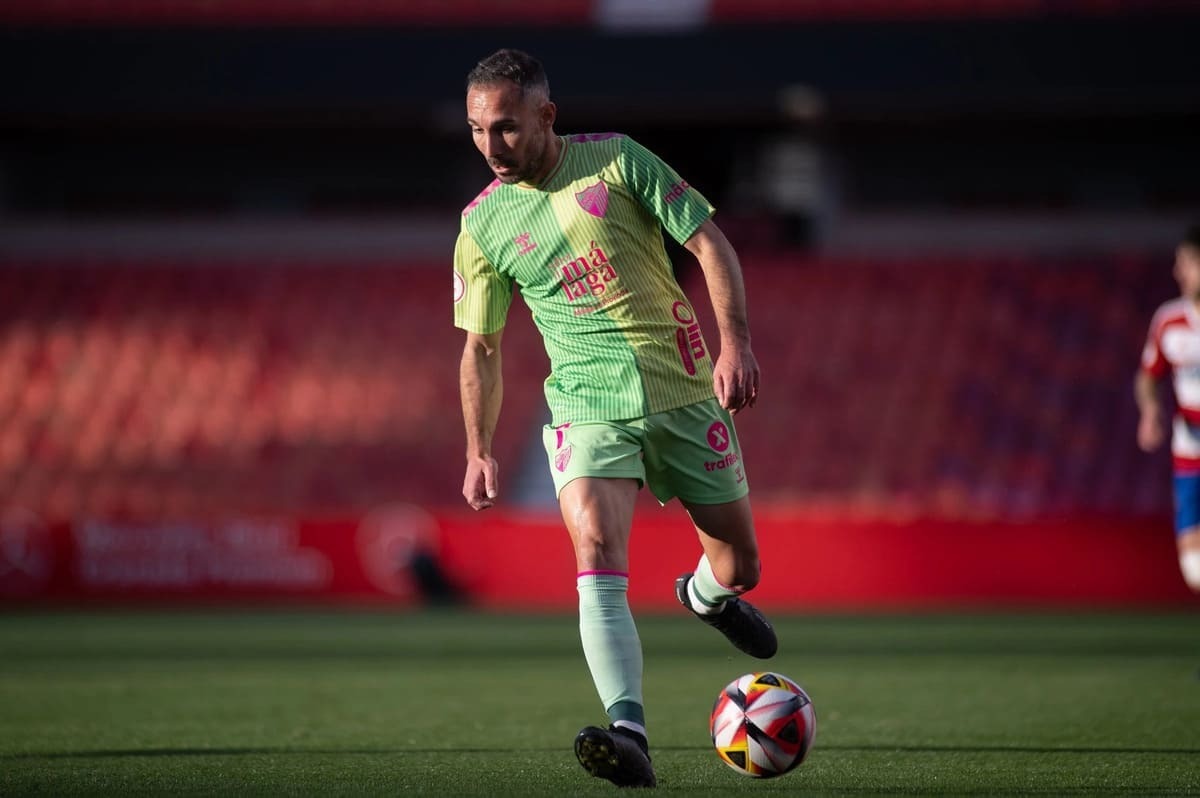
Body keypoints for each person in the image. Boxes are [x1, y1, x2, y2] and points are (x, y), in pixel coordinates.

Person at [453, 49, 777, 788]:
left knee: (742, 565)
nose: (491, 146)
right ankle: (627, 730)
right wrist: (477, 449)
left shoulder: (618, 162)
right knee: (596, 553)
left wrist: (737, 345)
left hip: (685, 391)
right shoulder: (481, 226)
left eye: (505, 127)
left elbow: (709, 242)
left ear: (546, 115)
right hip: (586, 404)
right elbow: (481, 345)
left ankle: (705, 595)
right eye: (477, 130)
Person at [1136, 223, 1200, 594]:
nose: (1179, 271)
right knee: (1194, 570)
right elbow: (1148, 375)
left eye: (1189, 263)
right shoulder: (1168, 321)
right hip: (1190, 449)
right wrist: (1150, 410)